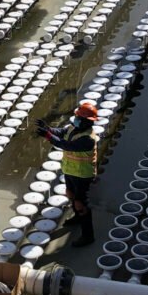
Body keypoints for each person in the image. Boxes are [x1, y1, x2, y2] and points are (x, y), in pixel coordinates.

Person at [36, 102, 100, 247]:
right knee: (70, 194)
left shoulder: (88, 139)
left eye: (79, 117)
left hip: (83, 175)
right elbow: (61, 132)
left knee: (80, 204)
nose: (76, 118)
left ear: (86, 121)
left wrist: (47, 136)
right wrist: (48, 128)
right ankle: (77, 218)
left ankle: (88, 236)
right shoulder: (74, 127)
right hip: (71, 171)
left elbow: (66, 145)